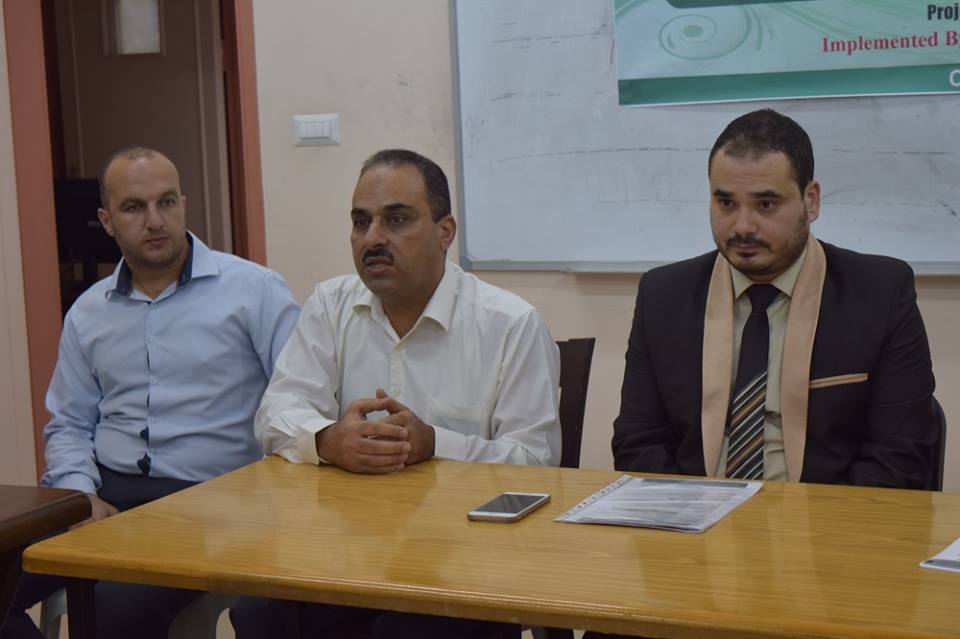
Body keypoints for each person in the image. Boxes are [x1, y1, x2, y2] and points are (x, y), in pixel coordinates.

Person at [230, 149, 561, 638]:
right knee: (258, 609)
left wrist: (435, 443)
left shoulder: (510, 325)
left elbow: (536, 464)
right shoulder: (330, 305)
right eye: (360, 222)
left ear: (445, 232)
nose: (373, 239)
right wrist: (328, 440)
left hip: (465, 561)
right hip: (348, 548)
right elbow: (276, 411)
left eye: (397, 220)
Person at [1, 146, 300, 639]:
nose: (155, 220)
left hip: (210, 501)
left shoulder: (255, 291)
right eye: (134, 208)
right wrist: (81, 496)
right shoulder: (88, 312)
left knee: (113, 606)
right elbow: (70, 423)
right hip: (106, 491)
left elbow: (302, 402)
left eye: (167, 202)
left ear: (184, 204)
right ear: (107, 221)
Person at [611, 108, 937, 489]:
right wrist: (688, 517)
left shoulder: (880, 294)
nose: (743, 226)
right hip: (694, 517)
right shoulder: (663, 296)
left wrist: (807, 523)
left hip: (823, 519)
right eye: (726, 203)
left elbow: (900, 459)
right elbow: (639, 444)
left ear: (810, 201)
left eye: (766, 204)